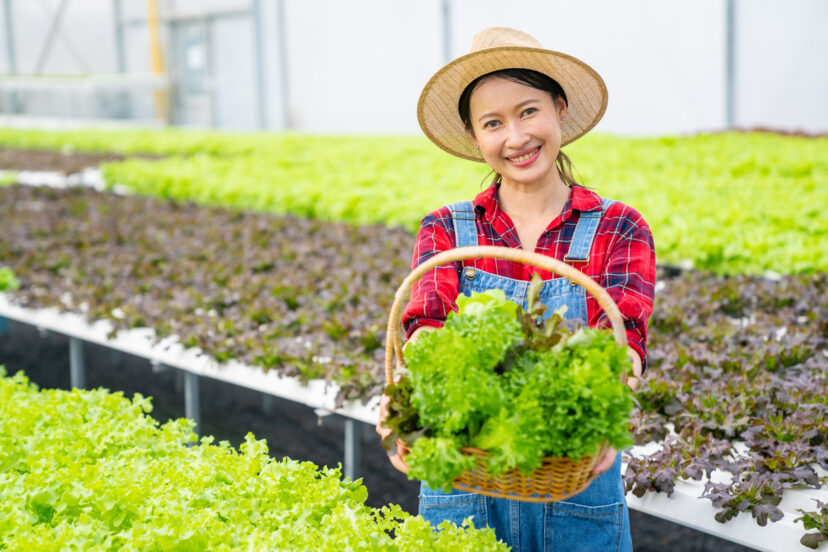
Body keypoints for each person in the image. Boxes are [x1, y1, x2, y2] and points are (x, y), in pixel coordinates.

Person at [377, 27, 655, 551]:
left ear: (560, 109)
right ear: (475, 137)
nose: (516, 137)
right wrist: (405, 402)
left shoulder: (618, 227)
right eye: (493, 123)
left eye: (528, 112)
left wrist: (607, 407)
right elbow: (425, 329)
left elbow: (625, 342)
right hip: (465, 475)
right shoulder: (446, 229)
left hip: (573, 477)